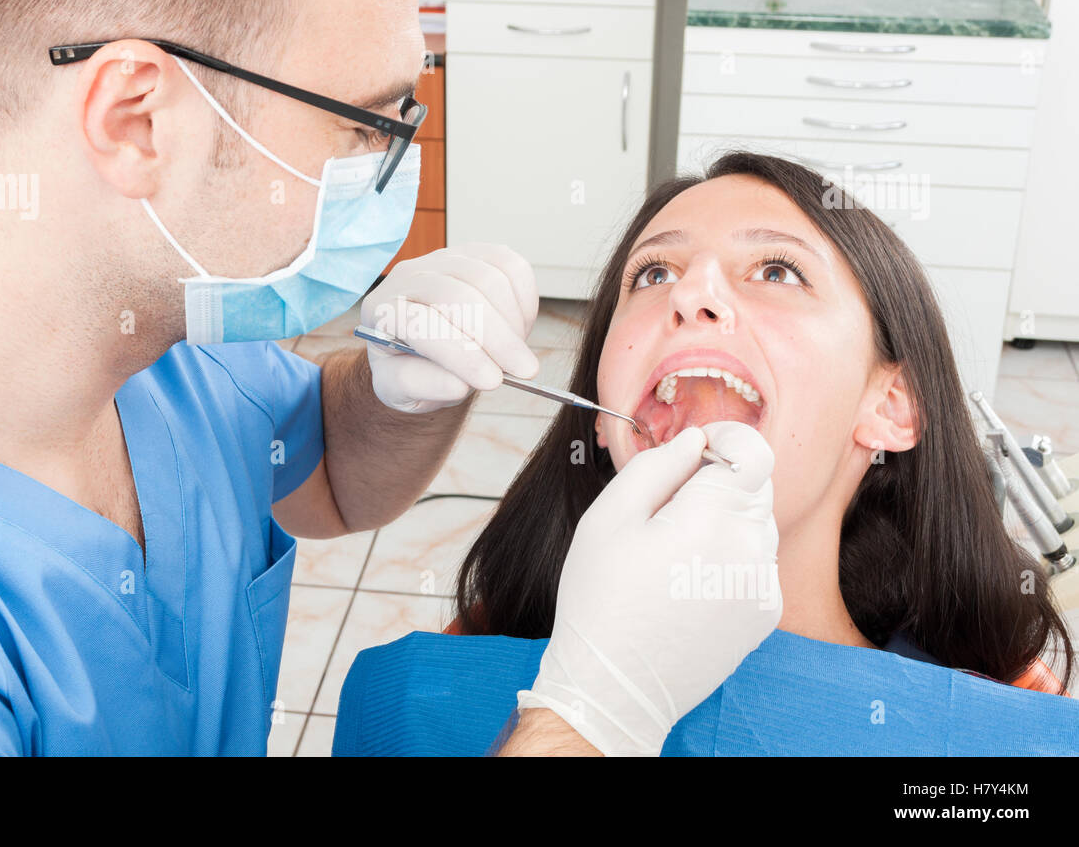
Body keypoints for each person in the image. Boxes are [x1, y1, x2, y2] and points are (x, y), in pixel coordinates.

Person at [0, 0, 556, 755]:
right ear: (138, 120)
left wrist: (401, 391)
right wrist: (588, 715)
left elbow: (329, 473)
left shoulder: (165, 328)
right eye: (366, 123)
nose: (388, 169)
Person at [334, 152, 1079, 757]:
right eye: (653, 273)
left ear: (892, 406)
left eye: (778, 270)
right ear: (601, 421)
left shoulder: (1011, 726)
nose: (691, 293)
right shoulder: (434, 682)